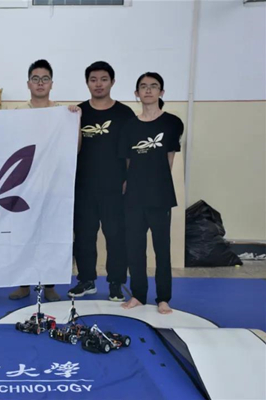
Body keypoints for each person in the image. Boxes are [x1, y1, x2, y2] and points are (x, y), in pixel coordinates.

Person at [9, 59, 81, 302]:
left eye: (45, 79)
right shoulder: (18, 113)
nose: (40, 83)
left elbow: (75, 148)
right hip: (25, 184)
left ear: (52, 83)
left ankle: (49, 284)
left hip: (54, 184)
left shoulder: (64, 113)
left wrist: (75, 122)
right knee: (23, 234)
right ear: (28, 83)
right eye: (35, 79)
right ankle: (23, 283)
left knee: (52, 234)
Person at [68, 61, 135, 302]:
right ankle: (86, 280)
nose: (98, 84)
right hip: (83, 186)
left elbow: (132, 151)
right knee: (84, 236)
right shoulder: (77, 112)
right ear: (87, 83)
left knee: (116, 236)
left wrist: (129, 179)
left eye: (103, 79)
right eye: (93, 79)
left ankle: (116, 283)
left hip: (115, 186)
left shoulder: (124, 114)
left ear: (112, 82)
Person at [118, 72, 183, 315]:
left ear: (161, 92)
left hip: (160, 195)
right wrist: (131, 185)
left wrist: (159, 185)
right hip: (134, 195)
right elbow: (128, 162)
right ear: (136, 93)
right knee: (135, 248)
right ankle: (138, 295)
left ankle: (163, 298)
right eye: (143, 86)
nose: (148, 90)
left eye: (154, 86)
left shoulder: (172, 123)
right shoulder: (129, 126)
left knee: (162, 249)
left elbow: (169, 158)